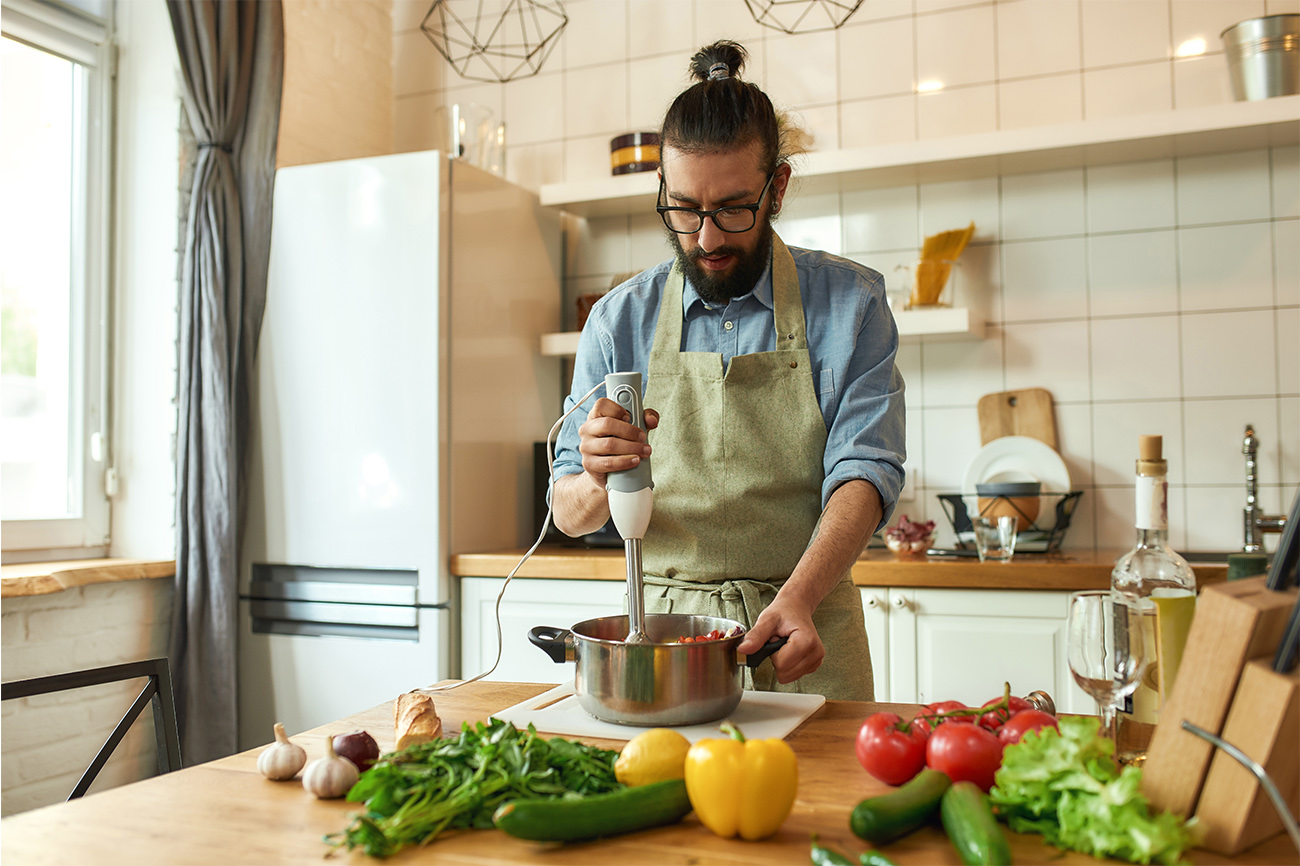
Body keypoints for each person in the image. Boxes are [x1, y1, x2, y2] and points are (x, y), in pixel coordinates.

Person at [550, 40, 905, 701]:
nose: (707, 238)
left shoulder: (850, 306)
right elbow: (568, 512)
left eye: (733, 209)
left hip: (806, 630)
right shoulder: (617, 320)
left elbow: (866, 471)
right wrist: (597, 474)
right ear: (663, 189)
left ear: (778, 187)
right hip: (662, 641)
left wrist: (798, 598)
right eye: (684, 209)